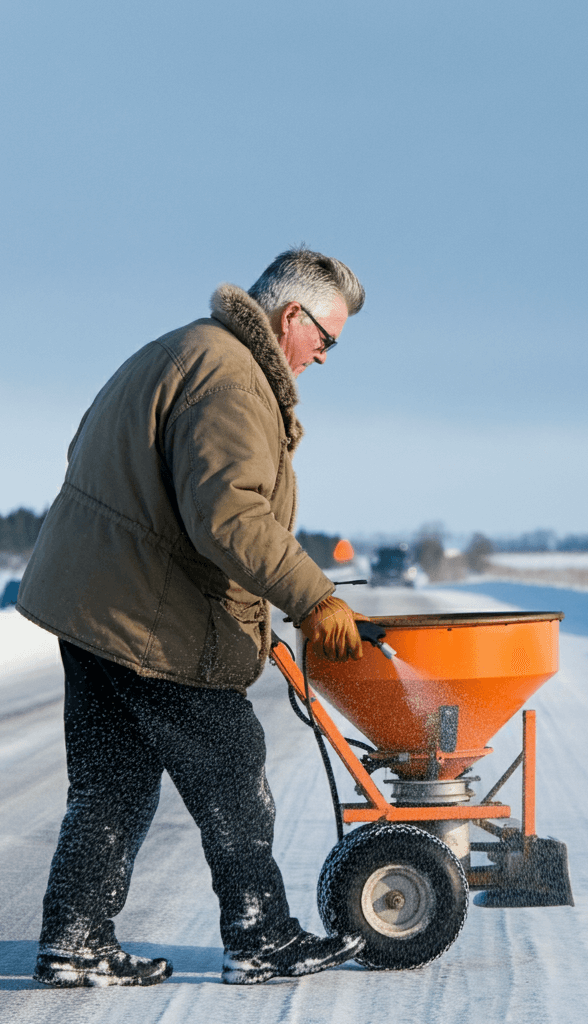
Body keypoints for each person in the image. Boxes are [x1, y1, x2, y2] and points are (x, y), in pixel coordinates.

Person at [17, 247, 370, 987]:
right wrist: (313, 595)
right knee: (234, 767)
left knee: (112, 781)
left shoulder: (181, 349)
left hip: (93, 602)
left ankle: (75, 941)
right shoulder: (234, 378)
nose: (326, 357)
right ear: (290, 315)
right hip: (144, 615)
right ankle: (262, 937)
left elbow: (98, 454)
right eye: (327, 339)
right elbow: (231, 516)